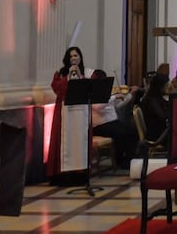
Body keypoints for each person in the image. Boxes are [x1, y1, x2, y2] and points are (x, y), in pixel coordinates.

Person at [47, 46, 94, 184]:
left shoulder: (88, 73)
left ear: (80, 58)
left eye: (76, 55)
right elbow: (58, 89)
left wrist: (79, 75)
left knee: (80, 141)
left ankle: (81, 174)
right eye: (71, 56)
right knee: (65, 142)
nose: (74, 58)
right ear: (67, 59)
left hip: (81, 114)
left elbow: (90, 88)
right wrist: (68, 76)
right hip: (65, 113)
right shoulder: (61, 73)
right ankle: (63, 175)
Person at [90, 70, 138, 169]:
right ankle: (120, 160)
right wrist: (114, 97)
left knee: (133, 130)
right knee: (121, 134)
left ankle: (131, 158)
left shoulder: (105, 93)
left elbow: (118, 107)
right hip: (100, 126)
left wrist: (129, 96)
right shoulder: (92, 93)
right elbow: (98, 106)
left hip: (111, 122)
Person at [139, 63, 170, 142]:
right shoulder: (152, 100)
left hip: (157, 131)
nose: (167, 88)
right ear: (160, 87)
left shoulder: (154, 97)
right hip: (156, 135)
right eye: (166, 85)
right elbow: (163, 117)